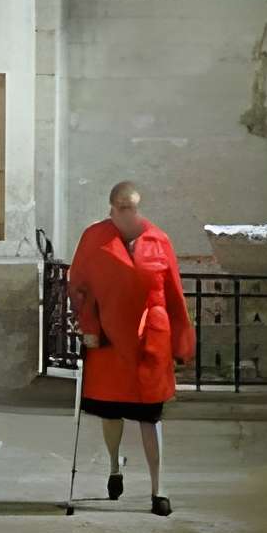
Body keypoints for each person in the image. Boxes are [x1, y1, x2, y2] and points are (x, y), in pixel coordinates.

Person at [68, 180, 195, 515]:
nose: (128, 213)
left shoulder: (158, 240)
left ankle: (159, 489)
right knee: (110, 412)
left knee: (150, 416)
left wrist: (182, 341)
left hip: (149, 341)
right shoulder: (94, 239)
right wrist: (89, 327)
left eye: (133, 207)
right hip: (108, 340)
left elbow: (174, 294)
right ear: (111, 208)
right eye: (122, 207)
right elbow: (78, 287)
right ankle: (114, 466)